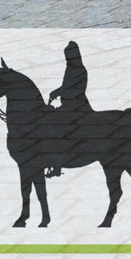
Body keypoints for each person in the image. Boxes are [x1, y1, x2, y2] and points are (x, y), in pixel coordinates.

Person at [45, 40, 91, 176]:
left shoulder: (80, 70)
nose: (67, 59)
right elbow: (65, 86)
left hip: (77, 105)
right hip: (68, 104)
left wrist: (61, 92)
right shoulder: (70, 68)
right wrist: (57, 92)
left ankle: (58, 163)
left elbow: (77, 89)